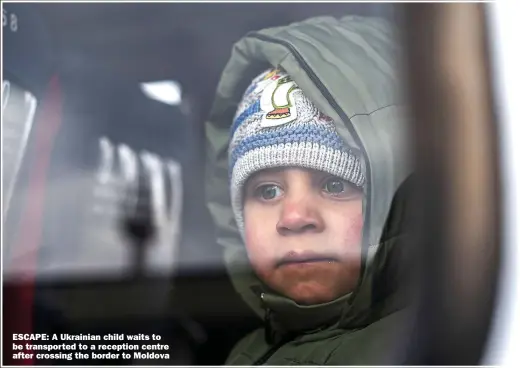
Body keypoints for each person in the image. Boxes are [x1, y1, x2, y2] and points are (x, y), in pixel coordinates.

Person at [205, 15, 412, 365]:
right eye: (267, 191)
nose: (295, 217)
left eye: (334, 184)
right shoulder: (245, 355)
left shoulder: (434, 342)